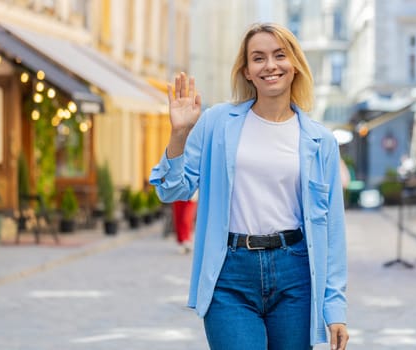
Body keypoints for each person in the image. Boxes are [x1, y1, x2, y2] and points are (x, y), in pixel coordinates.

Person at [149, 22, 348, 350]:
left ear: (295, 64)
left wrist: (335, 308)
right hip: (230, 275)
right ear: (246, 72)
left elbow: (333, 231)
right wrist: (179, 135)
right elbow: (171, 190)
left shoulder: (320, 140)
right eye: (258, 58)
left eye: (279, 55)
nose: (270, 65)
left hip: (295, 275)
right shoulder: (217, 123)